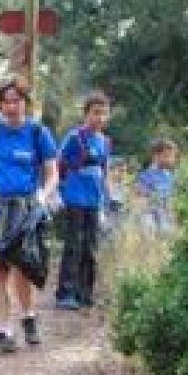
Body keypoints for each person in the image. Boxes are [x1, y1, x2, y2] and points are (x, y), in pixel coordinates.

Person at [0, 79, 59, 357]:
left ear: (26, 103)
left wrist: (43, 196)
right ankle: (3, 331)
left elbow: (52, 172)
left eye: (16, 100)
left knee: (20, 269)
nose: (11, 105)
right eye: (6, 100)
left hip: (25, 209)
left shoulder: (38, 132)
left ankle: (28, 315)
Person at [55, 91, 113, 310]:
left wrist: (107, 202)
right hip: (74, 198)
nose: (99, 118)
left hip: (94, 201)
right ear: (86, 114)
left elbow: (104, 172)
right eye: (95, 113)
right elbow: (58, 165)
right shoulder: (74, 137)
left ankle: (85, 292)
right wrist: (57, 193)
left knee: (91, 247)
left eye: (103, 114)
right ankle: (65, 293)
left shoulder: (105, 142)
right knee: (73, 245)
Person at [137, 138, 179, 237]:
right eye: (167, 156)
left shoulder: (169, 176)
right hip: (149, 217)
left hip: (166, 217)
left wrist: (171, 215)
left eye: (172, 156)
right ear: (156, 156)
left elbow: (170, 199)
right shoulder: (145, 176)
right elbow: (141, 201)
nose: (171, 159)